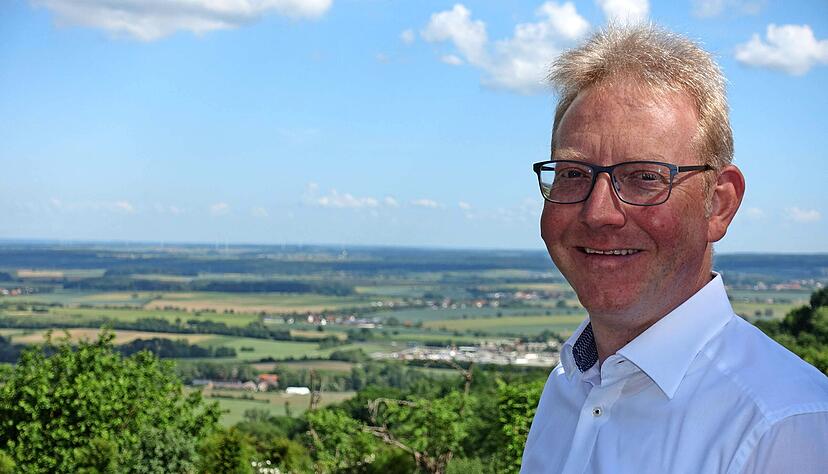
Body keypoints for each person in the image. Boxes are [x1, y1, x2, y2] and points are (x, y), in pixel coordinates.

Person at [521, 23, 828, 473]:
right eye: (572, 173)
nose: (599, 212)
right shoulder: (569, 387)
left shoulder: (785, 428)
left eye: (645, 176)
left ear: (718, 205)